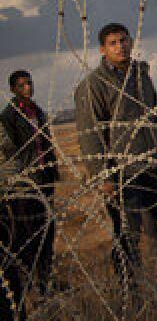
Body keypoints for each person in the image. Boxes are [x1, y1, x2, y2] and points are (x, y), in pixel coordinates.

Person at [75, 23, 157, 280]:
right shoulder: (94, 85)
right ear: (103, 49)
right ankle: (133, 292)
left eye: (124, 40)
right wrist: (104, 176)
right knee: (129, 236)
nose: (121, 46)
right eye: (113, 43)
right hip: (122, 174)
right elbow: (90, 134)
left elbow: (155, 115)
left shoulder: (141, 75)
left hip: (152, 167)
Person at [0, 70, 59, 307]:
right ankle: (31, 286)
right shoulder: (9, 117)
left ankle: (45, 282)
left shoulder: (38, 112)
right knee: (29, 236)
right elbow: (11, 151)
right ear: (13, 89)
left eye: (29, 83)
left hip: (43, 179)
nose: (27, 88)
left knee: (48, 231)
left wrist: (52, 168)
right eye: (22, 85)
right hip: (25, 184)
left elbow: (45, 143)